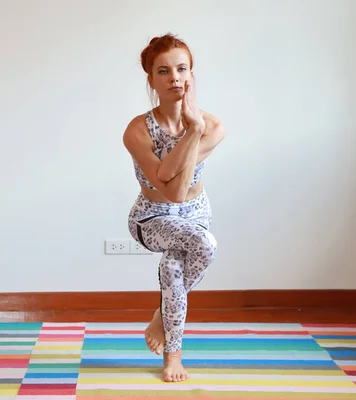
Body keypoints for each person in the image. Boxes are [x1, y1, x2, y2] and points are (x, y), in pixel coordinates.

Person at [123, 33, 225, 383]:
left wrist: (197, 129)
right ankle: (169, 336)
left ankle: (169, 345)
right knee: (204, 244)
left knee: (174, 267)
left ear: (192, 75)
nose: (175, 78)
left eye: (182, 69)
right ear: (151, 79)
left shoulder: (214, 127)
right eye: (163, 71)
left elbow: (175, 179)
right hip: (152, 217)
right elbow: (171, 190)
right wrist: (191, 132)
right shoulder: (138, 130)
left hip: (196, 216)